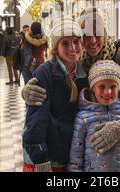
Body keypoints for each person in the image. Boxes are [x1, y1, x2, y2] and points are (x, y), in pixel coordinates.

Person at [22, 8, 120, 168]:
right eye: (86, 35)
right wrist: (29, 92)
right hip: (91, 156)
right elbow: (67, 104)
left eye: (97, 33)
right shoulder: (81, 63)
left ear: (104, 33)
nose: (92, 40)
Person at [22, 17, 88, 172]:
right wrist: (40, 159)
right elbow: (36, 121)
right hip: (54, 156)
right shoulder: (45, 73)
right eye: (65, 43)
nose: (72, 48)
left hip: (77, 153)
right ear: (56, 47)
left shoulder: (84, 72)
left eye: (76, 42)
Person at [68, 60, 120, 172]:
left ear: (119, 88)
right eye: (101, 86)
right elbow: (76, 158)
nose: (107, 92)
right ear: (93, 88)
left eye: (113, 86)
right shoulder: (83, 118)